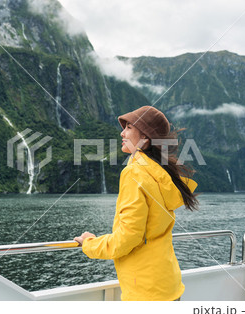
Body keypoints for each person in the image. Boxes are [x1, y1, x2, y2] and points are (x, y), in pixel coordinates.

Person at [74, 105, 199, 301]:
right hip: (168, 285)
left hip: (146, 293)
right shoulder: (159, 173)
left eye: (129, 127)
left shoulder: (134, 173)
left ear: (145, 138)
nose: (122, 132)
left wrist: (89, 243)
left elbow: (128, 237)